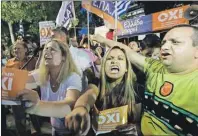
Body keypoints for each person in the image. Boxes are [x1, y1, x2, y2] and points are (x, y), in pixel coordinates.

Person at [66, 25, 198, 135]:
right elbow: (126, 51)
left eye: (175, 42)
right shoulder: (154, 67)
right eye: (164, 42)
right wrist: (81, 107)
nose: (165, 47)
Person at [65, 46, 143, 136]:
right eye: (109, 59)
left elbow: (138, 121)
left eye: (120, 58)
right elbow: (90, 94)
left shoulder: (137, 89)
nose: (114, 61)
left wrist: (136, 129)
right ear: (104, 66)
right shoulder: (96, 83)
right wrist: (81, 107)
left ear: (126, 68)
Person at [18, 39, 82, 136]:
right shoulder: (43, 74)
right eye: (46, 49)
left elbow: (69, 104)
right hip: (55, 130)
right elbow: (18, 78)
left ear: (63, 57)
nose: (46, 51)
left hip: (74, 132)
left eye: (52, 49)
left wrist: (38, 105)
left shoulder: (73, 77)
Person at [4, 40, 37, 136]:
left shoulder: (33, 60)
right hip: (16, 97)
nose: (16, 50)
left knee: (35, 118)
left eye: (19, 48)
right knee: (19, 120)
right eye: (14, 48)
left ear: (26, 49)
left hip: (31, 95)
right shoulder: (9, 62)